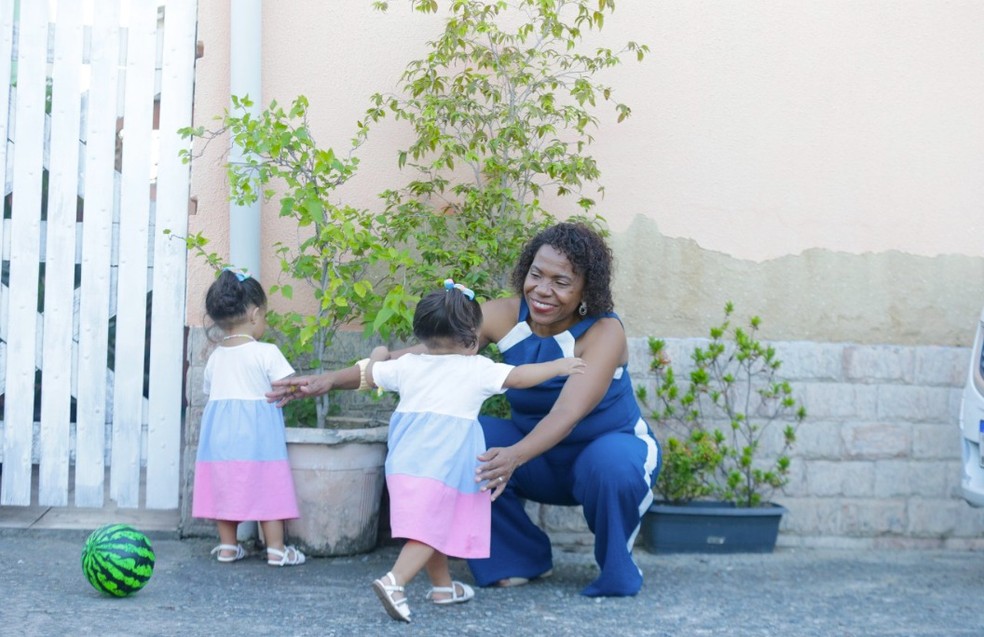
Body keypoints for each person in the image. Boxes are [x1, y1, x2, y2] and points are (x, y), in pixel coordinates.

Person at [270, 222, 661, 596]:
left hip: (605, 448)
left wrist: (512, 457)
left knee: (612, 465)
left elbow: (567, 413)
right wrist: (325, 381)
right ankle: (519, 559)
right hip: (536, 452)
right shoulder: (504, 314)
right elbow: (423, 356)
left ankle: (617, 570)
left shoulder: (604, 331)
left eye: (561, 282)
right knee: (469, 441)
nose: (542, 290)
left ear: (585, 291)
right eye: (537, 274)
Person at [362, 280, 586, 622]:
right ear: (471, 338)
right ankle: (395, 582)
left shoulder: (407, 366)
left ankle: (443, 587)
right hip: (445, 466)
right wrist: (559, 366)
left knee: (432, 523)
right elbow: (520, 377)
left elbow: (372, 370)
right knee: (430, 527)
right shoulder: (475, 369)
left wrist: (378, 352)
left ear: (422, 333)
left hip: (404, 465)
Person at [193, 268, 306, 567]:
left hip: (220, 434)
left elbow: (209, 390)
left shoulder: (215, 356)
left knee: (223, 486)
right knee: (268, 487)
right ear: (255, 314)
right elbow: (289, 383)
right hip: (259, 433)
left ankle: (228, 547)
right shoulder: (266, 352)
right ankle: (276, 550)